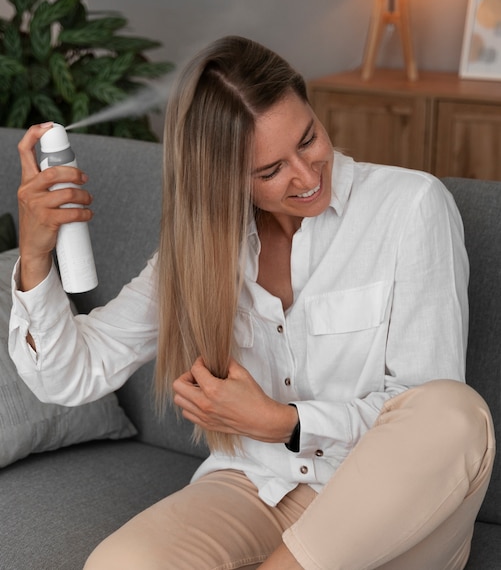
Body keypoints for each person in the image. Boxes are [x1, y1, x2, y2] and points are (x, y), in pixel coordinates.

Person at [10, 36, 495, 570]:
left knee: (455, 411)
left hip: (384, 509)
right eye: (270, 172)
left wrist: (283, 423)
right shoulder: (198, 251)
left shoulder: (411, 207)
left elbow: (424, 423)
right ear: (224, 180)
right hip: (254, 491)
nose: (308, 176)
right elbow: (69, 374)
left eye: (308, 139)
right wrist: (36, 256)